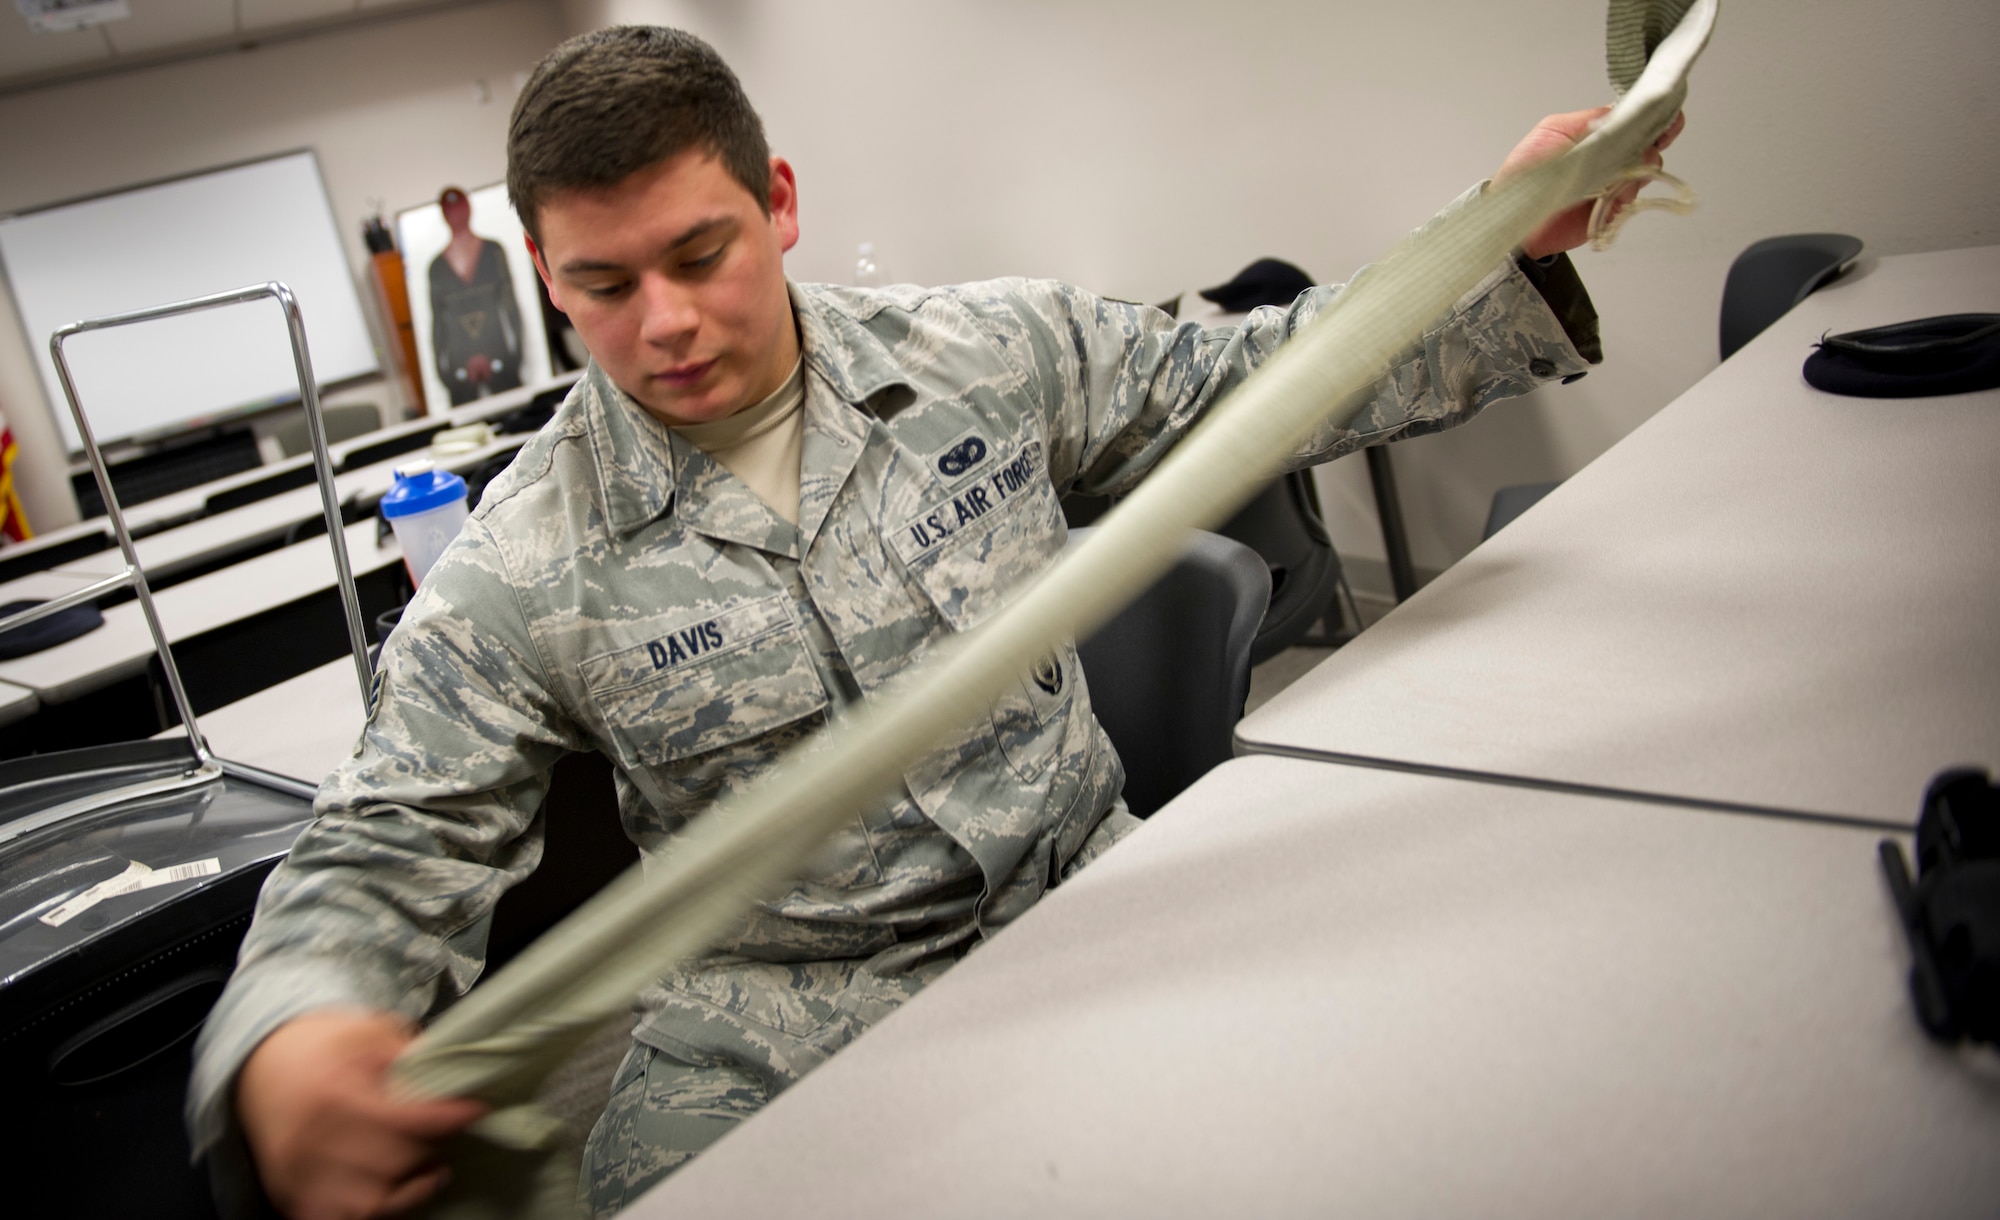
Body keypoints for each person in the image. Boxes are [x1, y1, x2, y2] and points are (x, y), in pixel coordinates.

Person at [189, 24, 1681, 1220]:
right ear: (546, 279)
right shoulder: (524, 561)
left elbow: (1263, 378)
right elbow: (383, 841)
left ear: (779, 204)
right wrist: (296, 1036)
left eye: (701, 254)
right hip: (778, 1016)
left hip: (1095, 900)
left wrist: (1503, 241)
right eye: (603, 286)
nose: (665, 323)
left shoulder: (986, 351)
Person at [428, 186, 526, 406]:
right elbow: (438, 324)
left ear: (469, 208)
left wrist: (514, 357)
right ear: (444, 214)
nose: (457, 215)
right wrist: (446, 375)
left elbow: (511, 307)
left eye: (460, 207)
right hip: (460, 374)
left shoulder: (493, 251)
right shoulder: (437, 268)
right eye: (451, 210)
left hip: (502, 363)